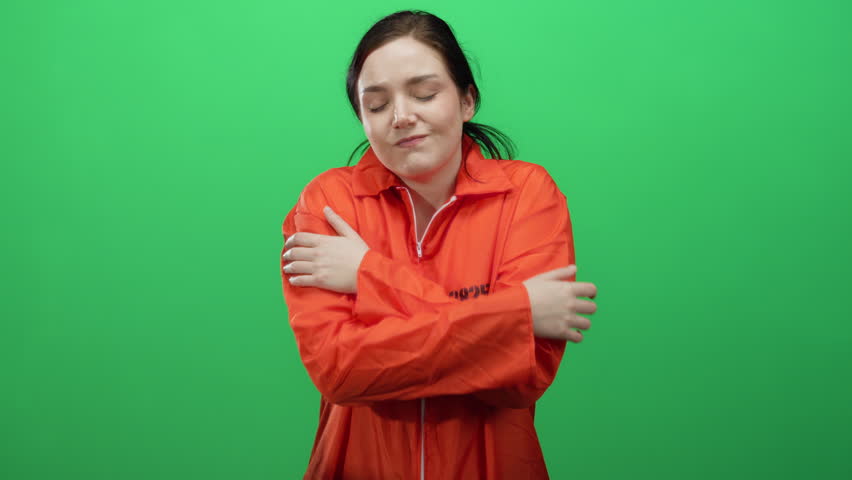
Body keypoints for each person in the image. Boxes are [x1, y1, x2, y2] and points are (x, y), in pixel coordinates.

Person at [279, 10, 598, 480]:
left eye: (424, 93)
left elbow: (521, 377)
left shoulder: (528, 194)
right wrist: (514, 315)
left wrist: (368, 273)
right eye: (377, 104)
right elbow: (341, 371)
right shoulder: (328, 204)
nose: (402, 116)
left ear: (467, 100)